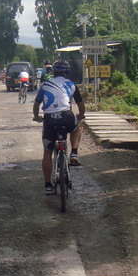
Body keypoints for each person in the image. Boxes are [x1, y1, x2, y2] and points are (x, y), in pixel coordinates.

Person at [32, 60, 86, 195]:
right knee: (75, 129)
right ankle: (74, 153)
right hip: (67, 116)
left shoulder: (45, 85)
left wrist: (37, 116)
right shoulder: (71, 84)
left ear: (53, 71)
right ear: (67, 72)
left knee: (47, 152)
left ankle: (48, 185)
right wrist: (80, 115)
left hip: (49, 119)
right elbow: (80, 104)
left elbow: (36, 104)